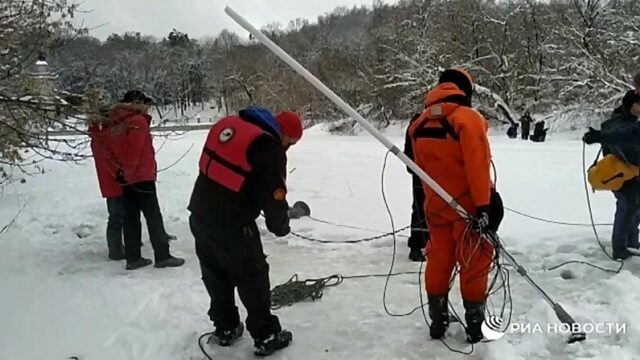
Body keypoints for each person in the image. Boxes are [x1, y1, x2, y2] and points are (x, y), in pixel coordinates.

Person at [188, 106, 303, 357]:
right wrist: (281, 225)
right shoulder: (269, 149)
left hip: (200, 214)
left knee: (216, 274)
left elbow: (236, 174)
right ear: (284, 135)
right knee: (253, 276)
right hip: (233, 225)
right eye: (290, 143)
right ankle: (266, 335)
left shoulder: (231, 125)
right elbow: (274, 200)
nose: (288, 148)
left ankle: (226, 328)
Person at [408, 68, 504, 343]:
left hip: (436, 206)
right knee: (475, 260)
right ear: (465, 91)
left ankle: (437, 319)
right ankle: (475, 324)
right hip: (468, 207)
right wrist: (484, 205)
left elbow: (421, 171)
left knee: (439, 258)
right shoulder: (467, 119)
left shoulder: (419, 123)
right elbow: (477, 166)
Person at [102, 90, 184, 270]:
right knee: (153, 215)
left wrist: (120, 172)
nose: (147, 107)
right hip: (141, 176)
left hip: (124, 177)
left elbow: (107, 151)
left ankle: (133, 258)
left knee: (130, 218)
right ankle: (162, 255)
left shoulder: (113, 124)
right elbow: (135, 150)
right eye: (145, 103)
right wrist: (131, 172)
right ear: (136, 103)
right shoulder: (137, 122)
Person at [583, 91, 640, 259]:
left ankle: (631, 243)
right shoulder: (620, 124)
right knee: (627, 209)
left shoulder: (625, 122)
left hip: (627, 175)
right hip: (622, 177)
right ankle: (620, 248)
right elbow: (627, 147)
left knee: (634, 210)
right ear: (631, 106)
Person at [89, 104, 125, 260]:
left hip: (111, 180)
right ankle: (115, 249)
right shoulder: (102, 137)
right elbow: (107, 160)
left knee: (117, 214)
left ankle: (117, 246)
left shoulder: (100, 135)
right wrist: (118, 172)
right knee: (116, 216)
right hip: (113, 181)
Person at [404, 113, 430, 262]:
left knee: (421, 208)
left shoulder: (418, 120)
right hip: (424, 173)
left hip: (422, 171)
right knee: (421, 208)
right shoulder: (419, 121)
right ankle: (417, 244)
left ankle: (420, 244)